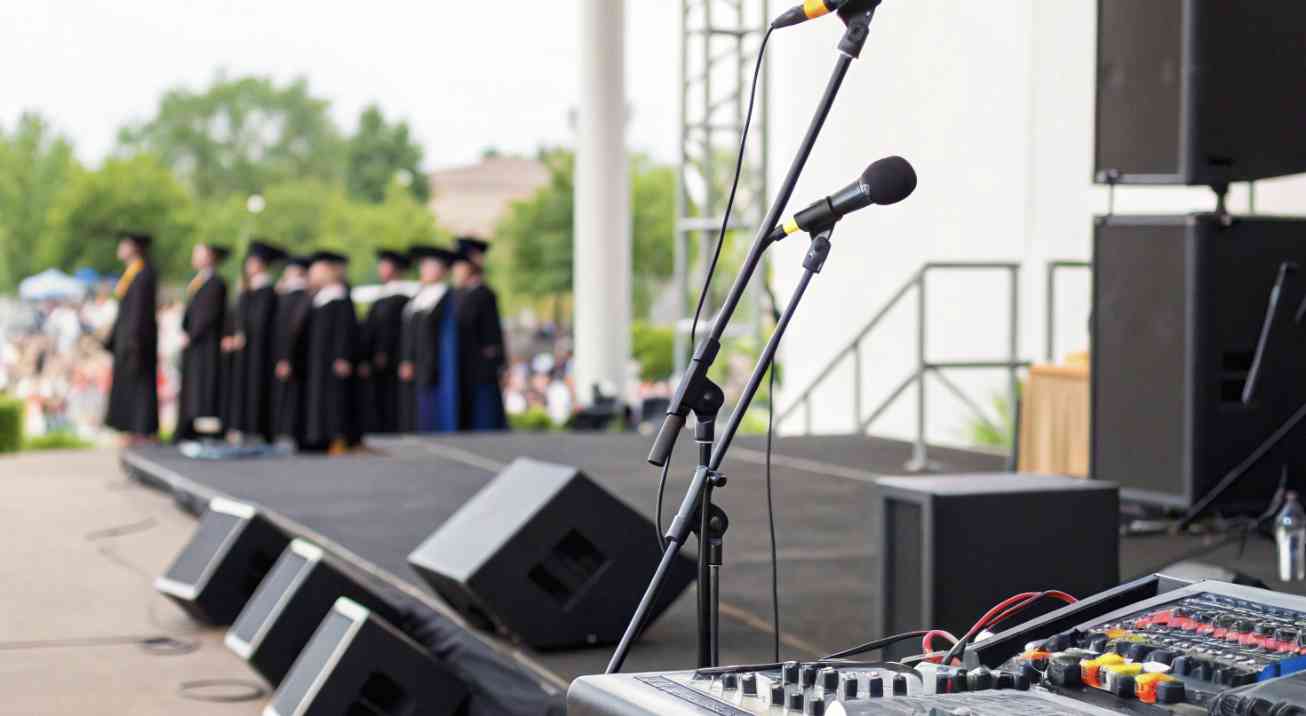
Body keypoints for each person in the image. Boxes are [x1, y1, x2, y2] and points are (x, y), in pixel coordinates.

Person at [299, 250, 359, 454]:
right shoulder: (320, 297)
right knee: (318, 397)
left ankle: (336, 436)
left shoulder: (340, 296)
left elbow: (346, 329)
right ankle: (318, 436)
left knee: (333, 398)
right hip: (318, 358)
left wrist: (343, 355)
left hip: (333, 359)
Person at [103, 231, 159, 443]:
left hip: (137, 341)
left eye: (124, 244)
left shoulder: (144, 273)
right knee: (129, 385)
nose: (120, 248)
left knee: (141, 386)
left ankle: (142, 429)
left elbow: (139, 312)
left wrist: (134, 340)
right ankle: (130, 428)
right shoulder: (131, 273)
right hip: (127, 338)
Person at [230, 240, 287, 443]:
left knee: (258, 387)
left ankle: (257, 429)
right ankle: (244, 427)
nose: (249, 265)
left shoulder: (267, 290)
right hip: (247, 349)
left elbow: (261, 321)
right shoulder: (249, 289)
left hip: (261, 349)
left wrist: (245, 332)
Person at [398, 246, 458, 432]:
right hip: (414, 360)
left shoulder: (446, 297)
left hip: (433, 362)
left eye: (430, 267)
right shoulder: (418, 297)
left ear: (442, 271)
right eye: (423, 266)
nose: (425, 271)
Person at [175, 242, 229, 442]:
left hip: (206, 344)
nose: (195, 257)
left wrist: (193, 333)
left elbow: (207, 314)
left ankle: (204, 430)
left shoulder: (216, 283)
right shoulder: (198, 281)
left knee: (204, 387)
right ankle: (188, 426)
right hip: (194, 343)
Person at [452, 237, 508, 431]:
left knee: (483, 412)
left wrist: (499, 363)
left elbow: (493, 335)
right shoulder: (457, 294)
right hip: (462, 363)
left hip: (480, 365)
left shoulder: (484, 294)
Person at [361, 249, 411, 433]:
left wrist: (384, 351)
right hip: (376, 362)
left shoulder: (402, 298)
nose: (380, 269)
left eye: (385, 265)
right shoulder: (380, 297)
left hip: (393, 359)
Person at [272, 255, 312, 442]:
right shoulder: (291, 295)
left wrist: (285, 357)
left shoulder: (298, 296)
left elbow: (292, 330)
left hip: (292, 355)